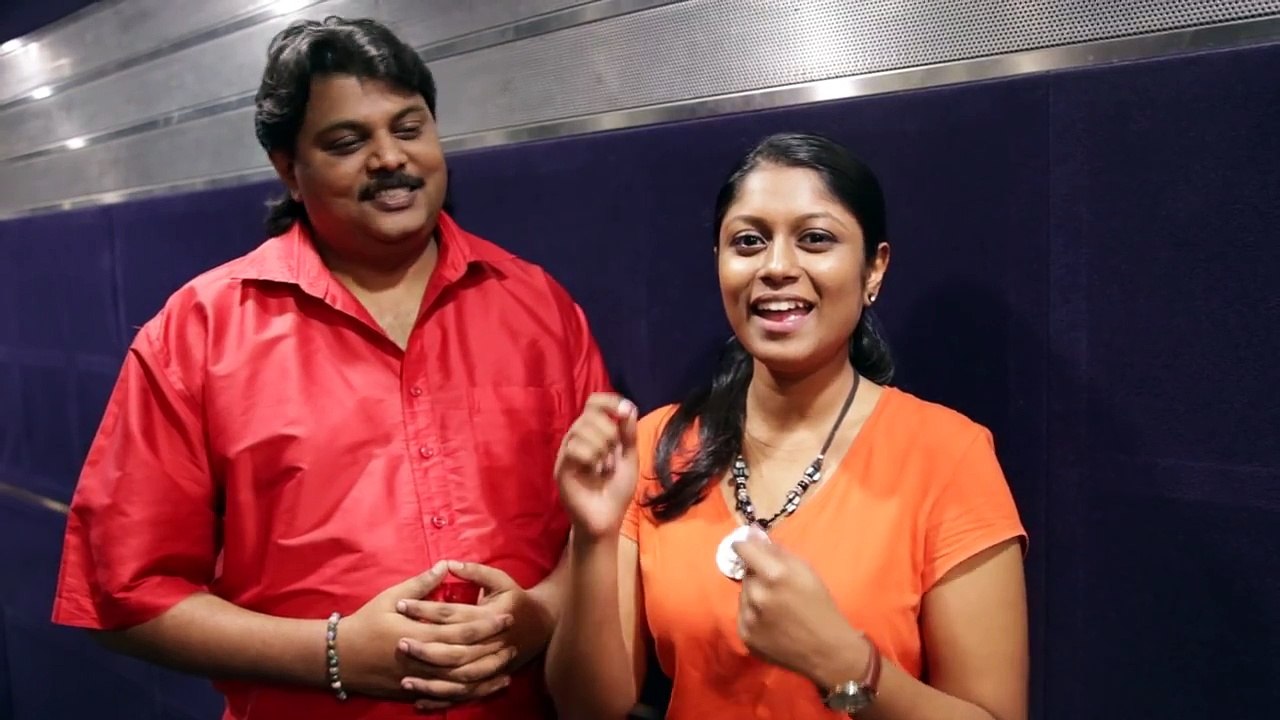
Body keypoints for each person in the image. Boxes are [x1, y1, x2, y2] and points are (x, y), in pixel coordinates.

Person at [50, 16, 611, 720]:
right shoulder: (200, 332)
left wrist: (541, 616)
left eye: (409, 129)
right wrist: (335, 653)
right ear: (288, 169)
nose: (389, 158)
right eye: (347, 143)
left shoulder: (540, 308)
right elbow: (124, 594)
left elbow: (609, 526)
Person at [547, 132, 1028, 719]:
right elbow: (587, 707)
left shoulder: (948, 455)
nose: (776, 267)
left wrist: (845, 664)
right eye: (748, 241)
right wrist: (592, 541)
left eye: (815, 239)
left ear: (874, 269)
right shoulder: (652, 447)